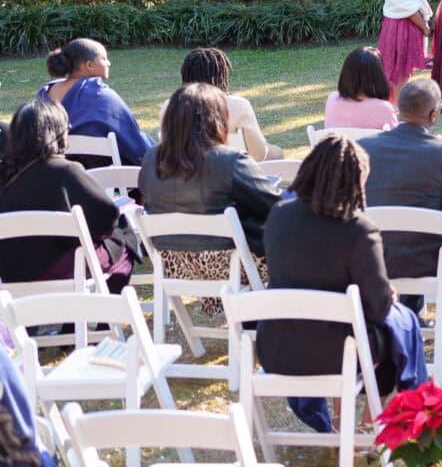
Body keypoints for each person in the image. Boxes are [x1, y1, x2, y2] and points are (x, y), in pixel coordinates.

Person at [258, 135, 428, 433]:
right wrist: (387, 295)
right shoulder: (358, 230)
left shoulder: (278, 217)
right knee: (397, 325)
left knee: (358, 326)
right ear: (355, 182)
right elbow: (377, 309)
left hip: (278, 347)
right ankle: (368, 426)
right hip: (338, 351)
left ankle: (341, 423)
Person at [139, 83, 282, 312]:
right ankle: (267, 314)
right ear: (217, 118)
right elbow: (275, 207)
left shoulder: (150, 158)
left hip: (175, 265)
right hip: (230, 264)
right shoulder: (230, 160)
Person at [360, 79, 442, 300]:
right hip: (428, 261)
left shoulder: (365, 147)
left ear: (399, 108)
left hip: (374, 255)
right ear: (434, 115)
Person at [0, 99, 134, 293]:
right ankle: (105, 320)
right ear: (57, 134)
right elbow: (107, 217)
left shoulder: (6, 175)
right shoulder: (66, 171)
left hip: (14, 273)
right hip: (65, 270)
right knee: (126, 234)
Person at [157, 48, 282, 162]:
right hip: (234, 177)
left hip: (183, 178)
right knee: (277, 153)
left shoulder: (170, 106)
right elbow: (259, 154)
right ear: (221, 76)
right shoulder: (239, 105)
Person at [39, 38, 150, 166]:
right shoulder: (100, 94)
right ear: (90, 65)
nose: (109, 63)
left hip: (53, 171)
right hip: (102, 176)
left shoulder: (45, 92)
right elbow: (134, 141)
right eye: (104, 59)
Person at [378, 0, 432, 94]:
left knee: (404, 67)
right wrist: (424, 27)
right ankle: (398, 102)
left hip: (402, 26)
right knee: (400, 66)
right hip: (401, 29)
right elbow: (410, 10)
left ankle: (400, 98)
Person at [324, 47, 400, 130]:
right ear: (378, 76)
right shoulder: (384, 109)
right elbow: (397, 140)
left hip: (338, 143)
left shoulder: (332, 99)